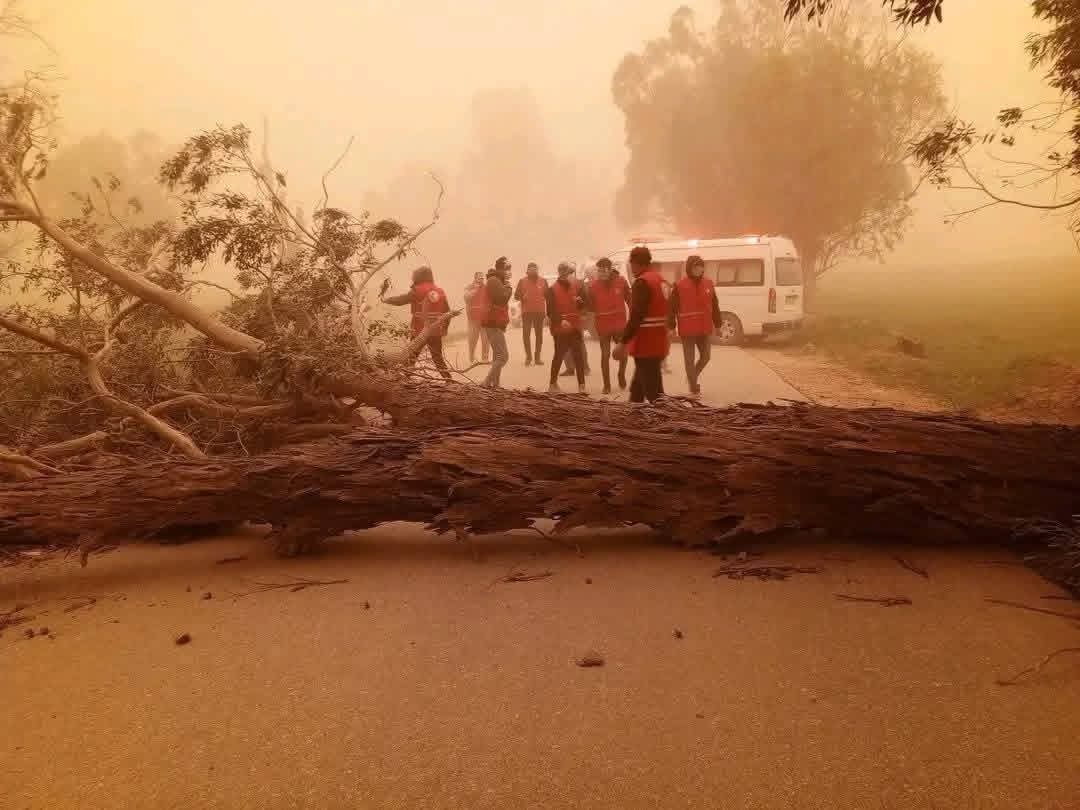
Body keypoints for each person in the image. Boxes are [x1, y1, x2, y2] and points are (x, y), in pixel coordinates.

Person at [613, 245, 669, 402]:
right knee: (638, 386)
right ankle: (633, 414)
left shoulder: (642, 283)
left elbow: (636, 316)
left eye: (631, 263)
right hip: (658, 340)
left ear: (635, 263)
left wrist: (623, 342)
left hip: (646, 343)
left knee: (654, 391)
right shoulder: (660, 280)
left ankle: (665, 421)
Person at [381, 266, 452, 380]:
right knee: (438, 359)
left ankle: (405, 379)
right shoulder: (440, 291)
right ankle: (449, 380)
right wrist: (444, 329)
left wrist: (386, 300)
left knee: (411, 357)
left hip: (419, 329)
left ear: (419, 276)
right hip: (435, 330)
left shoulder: (418, 289)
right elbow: (447, 312)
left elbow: (401, 300)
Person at [669, 254, 723, 397]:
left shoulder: (709, 284)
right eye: (695, 266)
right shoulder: (679, 286)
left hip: (704, 328)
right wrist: (670, 327)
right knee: (689, 360)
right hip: (687, 329)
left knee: (706, 357)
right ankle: (694, 387)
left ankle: (692, 376)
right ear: (689, 268)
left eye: (701, 266)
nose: (699, 269)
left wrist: (718, 325)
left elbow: (715, 305)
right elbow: (671, 308)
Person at [587, 257, 631, 394]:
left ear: (610, 269)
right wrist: (582, 304)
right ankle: (607, 385)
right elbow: (590, 306)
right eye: (599, 271)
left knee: (623, 353)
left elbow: (630, 300)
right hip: (603, 325)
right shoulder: (593, 286)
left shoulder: (621, 281)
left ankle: (621, 374)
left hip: (619, 324)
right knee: (605, 355)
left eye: (604, 270)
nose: (601, 274)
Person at [547, 261, 588, 394]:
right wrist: (561, 320)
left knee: (578, 356)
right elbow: (550, 311)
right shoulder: (552, 289)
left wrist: (580, 303)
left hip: (575, 327)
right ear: (563, 273)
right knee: (558, 355)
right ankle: (552, 384)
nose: (573, 276)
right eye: (571, 273)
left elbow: (583, 306)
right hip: (560, 329)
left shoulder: (576, 287)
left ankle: (582, 385)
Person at [481, 256, 513, 388]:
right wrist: (509, 288)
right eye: (507, 269)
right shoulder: (494, 281)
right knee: (503, 356)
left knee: (497, 356)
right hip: (492, 322)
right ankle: (486, 382)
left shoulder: (497, 280)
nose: (509, 272)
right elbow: (502, 299)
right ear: (501, 269)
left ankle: (496, 384)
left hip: (495, 322)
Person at [515, 262, 548, 366]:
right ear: (527, 270)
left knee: (539, 335)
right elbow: (516, 295)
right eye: (531, 269)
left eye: (535, 269)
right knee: (526, 334)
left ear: (537, 270)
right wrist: (522, 297)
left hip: (539, 312)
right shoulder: (522, 281)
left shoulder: (543, 281)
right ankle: (528, 357)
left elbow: (549, 296)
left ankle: (537, 358)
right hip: (527, 312)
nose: (533, 271)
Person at [464, 271, 490, 365]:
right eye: (479, 278)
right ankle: (471, 356)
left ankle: (485, 357)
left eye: (482, 278)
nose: (481, 280)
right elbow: (466, 297)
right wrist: (475, 289)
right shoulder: (469, 287)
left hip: (484, 318)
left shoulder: (487, 288)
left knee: (485, 338)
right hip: (473, 318)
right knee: (472, 338)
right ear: (475, 279)